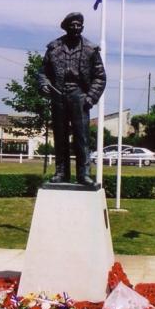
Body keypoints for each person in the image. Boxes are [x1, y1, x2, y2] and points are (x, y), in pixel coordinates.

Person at [39, 12, 106, 186]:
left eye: (79, 25)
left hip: (80, 96)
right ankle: (61, 172)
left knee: (81, 137)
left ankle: (84, 174)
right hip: (58, 95)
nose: (76, 28)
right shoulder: (54, 48)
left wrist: (90, 98)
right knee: (60, 136)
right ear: (66, 27)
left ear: (82, 27)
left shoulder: (91, 49)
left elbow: (100, 76)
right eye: (72, 25)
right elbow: (43, 73)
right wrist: (44, 84)